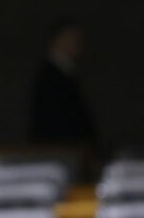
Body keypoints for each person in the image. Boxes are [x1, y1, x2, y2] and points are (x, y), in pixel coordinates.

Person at [29, 18, 97, 146]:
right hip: (61, 149)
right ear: (57, 40)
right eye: (71, 38)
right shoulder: (50, 76)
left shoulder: (64, 73)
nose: (77, 44)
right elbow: (57, 121)